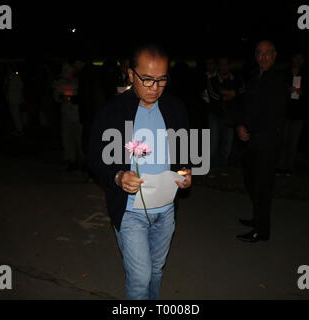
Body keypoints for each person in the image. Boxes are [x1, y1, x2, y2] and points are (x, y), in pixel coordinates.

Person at [88, 44, 192, 300]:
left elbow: (183, 151)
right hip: (130, 211)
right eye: (147, 79)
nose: (154, 88)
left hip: (165, 209)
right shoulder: (113, 112)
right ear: (131, 74)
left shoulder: (175, 108)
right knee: (140, 278)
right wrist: (117, 176)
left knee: (156, 271)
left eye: (161, 80)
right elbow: (94, 156)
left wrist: (185, 172)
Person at [236, 40, 289, 242]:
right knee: (250, 180)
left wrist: (251, 132)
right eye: (259, 53)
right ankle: (257, 218)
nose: (263, 57)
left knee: (262, 186)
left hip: (267, 141)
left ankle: (262, 230)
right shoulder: (254, 76)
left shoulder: (277, 80)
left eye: (267, 53)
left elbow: (273, 115)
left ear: (274, 55)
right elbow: (246, 105)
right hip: (251, 140)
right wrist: (240, 125)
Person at [205, 56, 237, 176]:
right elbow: (213, 95)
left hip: (230, 116)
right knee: (213, 143)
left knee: (227, 144)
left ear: (229, 65)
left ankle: (223, 166)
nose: (223, 67)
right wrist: (230, 94)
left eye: (226, 64)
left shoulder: (236, 79)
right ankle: (213, 168)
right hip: (214, 115)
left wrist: (232, 94)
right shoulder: (212, 80)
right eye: (221, 64)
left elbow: (240, 93)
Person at [277, 53, 307, 176]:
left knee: (293, 142)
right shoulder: (285, 73)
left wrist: (303, 92)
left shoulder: (306, 74)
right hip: (285, 111)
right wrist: (286, 89)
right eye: (296, 57)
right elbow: (277, 89)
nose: (298, 60)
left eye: (301, 58)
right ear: (292, 58)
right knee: (283, 141)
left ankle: (289, 167)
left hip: (298, 113)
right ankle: (279, 166)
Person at [53, 62, 84, 172]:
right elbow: (56, 97)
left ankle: (82, 161)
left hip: (77, 114)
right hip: (66, 114)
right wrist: (62, 97)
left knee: (79, 138)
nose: (66, 72)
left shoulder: (79, 82)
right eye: (64, 70)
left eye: (68, 69)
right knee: (67, 138)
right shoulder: (60, 83)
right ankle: (71, 160)